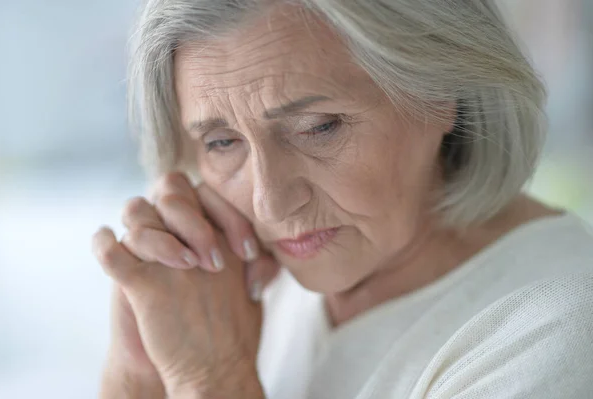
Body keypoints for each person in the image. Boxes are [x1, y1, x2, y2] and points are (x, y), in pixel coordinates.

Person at [91, 1, 593, 398]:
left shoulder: (559, 332)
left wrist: (211, 380)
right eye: (222, 142)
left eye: (319, 128)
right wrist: (140, 373)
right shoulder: (250, 283)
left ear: (442, 90)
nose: (270, 206)